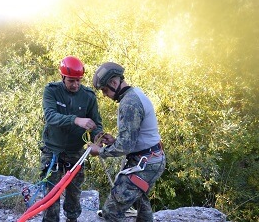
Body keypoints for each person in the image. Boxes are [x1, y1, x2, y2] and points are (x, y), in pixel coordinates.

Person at [90, 62, 166, 222]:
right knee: (140, 199)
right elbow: (133, 138)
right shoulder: (134, 94)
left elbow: (126, 146)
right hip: (151, 158)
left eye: (104, 90)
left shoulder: (129, 104)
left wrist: (100, 151)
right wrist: (114, 141)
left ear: (113, 83)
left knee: (111, 211)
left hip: (145, 163)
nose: (104, 94)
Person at [39, 56, 104, 222]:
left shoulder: (88, 96)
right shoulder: (52, 91)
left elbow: (96, 122)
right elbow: (51, 116)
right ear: (62, 78)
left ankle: (72, 219)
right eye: (71, 81)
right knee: (51, 192)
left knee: (74, 192)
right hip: (53, 151)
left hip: (75, 152)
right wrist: (76, 119)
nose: (75, 85)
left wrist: (98, 137)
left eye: (78, 81)